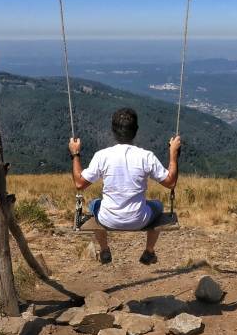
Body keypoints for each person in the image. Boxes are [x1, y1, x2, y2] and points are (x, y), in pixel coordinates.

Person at [68, 107, 180, 265]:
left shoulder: (102, 156)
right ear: (136, 130)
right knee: (158, 205)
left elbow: (79, 183)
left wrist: (75, 154)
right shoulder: (146, 156)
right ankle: (149, 251)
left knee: (94, 204)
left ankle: (105, 249)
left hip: (108, 219)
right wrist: (173, 154)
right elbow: (170, 183)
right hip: (139, 219)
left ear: (113, 131)